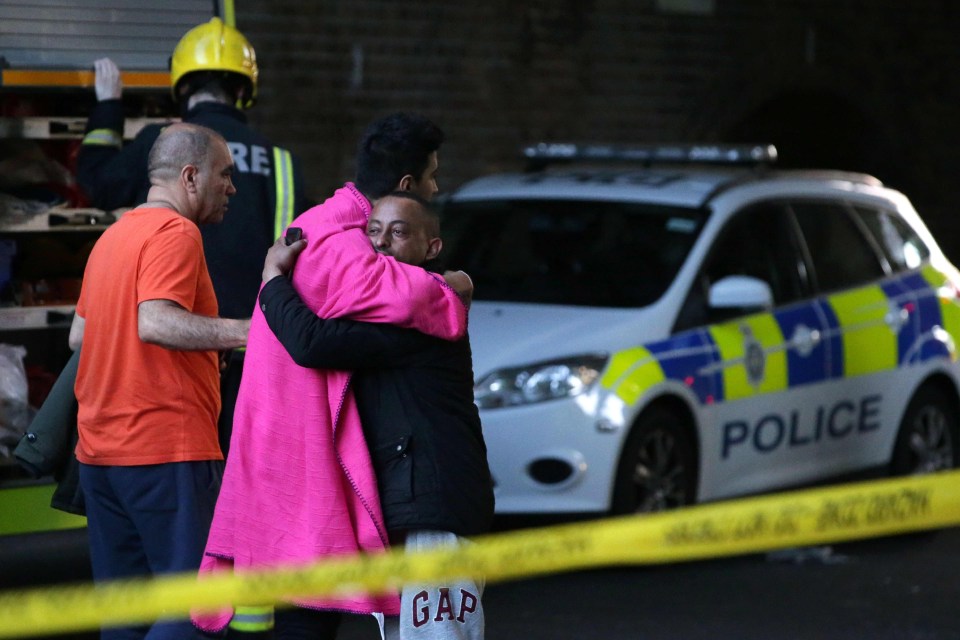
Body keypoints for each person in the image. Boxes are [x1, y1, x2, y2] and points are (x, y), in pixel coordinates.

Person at [194, 113, 472, 640]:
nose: (437, 187)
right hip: (301, 453)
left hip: (280, 443)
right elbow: (403, 300)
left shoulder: (319, 223)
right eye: (433, 176)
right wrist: (454, 287)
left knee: (302, 608)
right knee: (307, 613)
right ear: (407, 185)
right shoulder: (344, 245)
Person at [259, 191, 494, 639]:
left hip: (434, 507)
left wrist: (273, 279)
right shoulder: (397, 301)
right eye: (373, 231)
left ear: (432, 248)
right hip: (413, 501)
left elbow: (313, 343)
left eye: (399, 232)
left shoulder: (421, 307)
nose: (382, 243)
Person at [75, 17, 310, 458]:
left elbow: (99, 183)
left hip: (171, 363)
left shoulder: (162, 143)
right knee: (245, 476)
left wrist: (108, 107)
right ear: (244, 89)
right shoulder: (282, 162)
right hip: (255, 357)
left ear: (181, 87)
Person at [69, 122, 250, 640]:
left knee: (125, 617)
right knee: (195, 613)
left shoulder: (113, 236)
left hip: (101, 457)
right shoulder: (176, 232)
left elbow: (80, 336)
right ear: (190, 178)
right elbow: (156, 321)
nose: (232, 187)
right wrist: (248, 333)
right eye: (225, 174)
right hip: (165, 451)